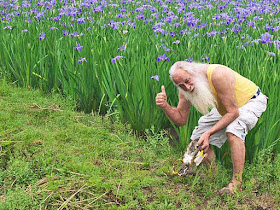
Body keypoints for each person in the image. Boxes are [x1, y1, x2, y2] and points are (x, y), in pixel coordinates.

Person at [155, 61, 268, 195]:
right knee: (198, 136)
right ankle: (212, 175)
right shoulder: (184, 90)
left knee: (233, 130)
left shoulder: (217, 74)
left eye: (187, 81)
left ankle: (237, 183)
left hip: (250, 101)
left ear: (193, 72)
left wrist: (209, 133)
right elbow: (181, 120)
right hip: (226, 106)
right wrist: (165, 106)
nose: (187, 87)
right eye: (181, 85)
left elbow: (233, 112)